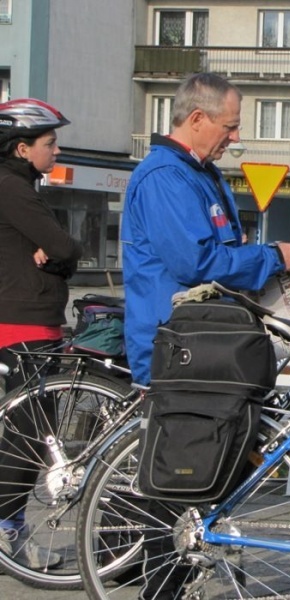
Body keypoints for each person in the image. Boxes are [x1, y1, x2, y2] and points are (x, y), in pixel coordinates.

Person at [121, 73, 290, 599]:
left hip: (205, 341)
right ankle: (162, 585)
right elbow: (196, 261)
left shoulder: (200, 174)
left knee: (202, 471)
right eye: (229, 126)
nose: (235, 136)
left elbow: (225, 250)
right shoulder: (165, 177)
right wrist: (271, 257)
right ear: (196, 119)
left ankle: (184, 575)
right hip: (175, 343)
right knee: (177, 474)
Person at [0, 98, 83, 569]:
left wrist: (60, 254)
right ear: (21, 147)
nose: (57, 151)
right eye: (49, 143)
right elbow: (65, 244)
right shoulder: (12, 188)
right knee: (31, 434)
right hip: (21, 322)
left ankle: (9, 529)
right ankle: (7, 531)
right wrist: (62, 253)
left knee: (29, 432)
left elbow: (63, 250)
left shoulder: (20, 186)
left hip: (33, 319)